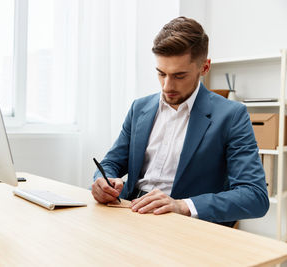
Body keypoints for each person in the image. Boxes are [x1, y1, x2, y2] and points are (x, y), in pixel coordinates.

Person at [91, 16, 269, 227]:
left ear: (204, 68)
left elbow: (255, 196)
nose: (167, 86)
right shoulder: (139, 108)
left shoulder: (231, 115)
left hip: (183, 224)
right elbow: (111, 163)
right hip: (128, 212)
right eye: (161, 73)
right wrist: (102, 181)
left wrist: (183, 206)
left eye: (179, 76)